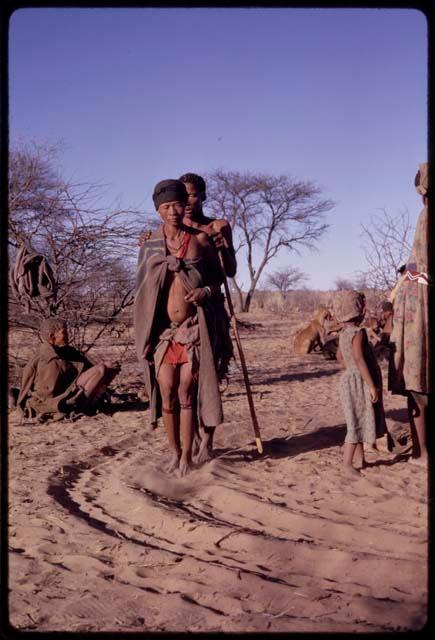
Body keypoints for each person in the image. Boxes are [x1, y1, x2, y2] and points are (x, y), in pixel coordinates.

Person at [134, 179, 224, 476]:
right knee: (167, 390)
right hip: (163, 332)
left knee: (187, 391)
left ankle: (187, 455)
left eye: (177, 205)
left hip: (194, 328)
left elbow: (218, 278)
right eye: (166, 207)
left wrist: (205, 293)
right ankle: (173, 453)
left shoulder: (200, 241)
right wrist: (144, 335)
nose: (173, 211)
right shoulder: (148, 246)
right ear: (158, 211)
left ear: (185, 205)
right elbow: (143, 293)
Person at [178, 172, 236, 462]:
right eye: (182, 195)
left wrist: (223, 248)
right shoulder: (171, 229)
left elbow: (231, 271)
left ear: (203, 195)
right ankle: (192, 440)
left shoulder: (218, 226)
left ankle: (207, 440)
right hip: (180, 318)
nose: (188, 202)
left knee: (208, 376)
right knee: (184, 381)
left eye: (192, 194)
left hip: (211, 309)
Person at [389, 163, 430, 465]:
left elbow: (422, 268)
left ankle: (422, 453)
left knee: (417, 380)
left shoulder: (426, 215)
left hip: (421, 304)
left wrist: (408, 274)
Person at [16, 317, 120, 421]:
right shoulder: (38, 360)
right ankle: (81, 409)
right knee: (100, 369)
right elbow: (24, 388)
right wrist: (21, 410)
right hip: (56, 400)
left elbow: (90, 367)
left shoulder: (68, 352)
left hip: (71, 391)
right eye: (64, 332)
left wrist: (108, 367)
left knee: (109, 368)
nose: (68, 335)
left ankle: (92, 402)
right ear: (52, 336)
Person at [333, 290, 388, 475]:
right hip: (358, 381)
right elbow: (358, 358)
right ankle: (347, 465)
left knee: (357, 419)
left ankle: (360, 459)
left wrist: (348, 370)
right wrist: (371, 385)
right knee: (355, 423)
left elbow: (340, 356)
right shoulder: (358, 333)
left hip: (348, 380)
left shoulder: (343, 333)